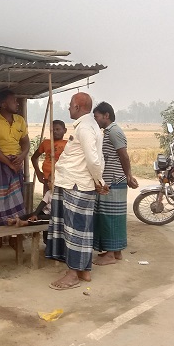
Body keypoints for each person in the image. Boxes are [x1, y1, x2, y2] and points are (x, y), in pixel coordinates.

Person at [45, 93, 106, 290]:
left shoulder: (86, 127)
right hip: (76, 183)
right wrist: (98, 180)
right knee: (81, 230)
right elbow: (96, 158)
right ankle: (83, 271)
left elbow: (94, 160)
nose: (69, 108)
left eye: (71, 105)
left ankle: (72, 275)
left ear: (78, 107)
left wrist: (99, 180)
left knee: (74, 231)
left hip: (76, 185)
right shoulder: (88, 125)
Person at [92, 102, 139, 266]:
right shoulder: (109, 131)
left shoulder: (114, 131)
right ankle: (115, 251)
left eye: (97, 116)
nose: (95, 120)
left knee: (109, 216)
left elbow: (123, 155)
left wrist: (128, 175)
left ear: (106, 116)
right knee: (114, 216)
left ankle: (111, 254)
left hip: (113, 180)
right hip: (113, 180)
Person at [0, 90, 30, 249]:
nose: (17, 103)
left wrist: (22, 156)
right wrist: (9, 164)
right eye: (13, 101)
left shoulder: (20, 121)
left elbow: (26, 142)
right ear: (3, 104)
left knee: (16, 201)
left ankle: (14, 237)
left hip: (16, 162)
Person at [31, 120, 67, 192]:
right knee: (48, 197)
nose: (55, 132)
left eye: (57, 129)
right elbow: (34, 158)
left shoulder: (68, 144)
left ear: (65, 130)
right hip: (47, 179)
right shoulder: (46, 143)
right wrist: (38, 173)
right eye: (52, 130)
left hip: (62, 178)